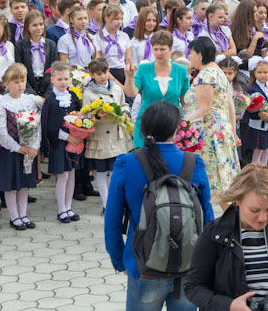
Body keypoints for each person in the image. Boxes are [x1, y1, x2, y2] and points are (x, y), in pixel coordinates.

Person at [105, 101, 214, 311]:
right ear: (176, 129)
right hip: (188, 265)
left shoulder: (126, 163)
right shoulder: (194, 162)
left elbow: (113, 220)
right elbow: (207, 217)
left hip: (143, 265)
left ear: (143, 128)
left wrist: (120, 261)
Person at [185, 164, 268, 311]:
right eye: (254, 210)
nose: (262, 218)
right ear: (237, 200)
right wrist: (228, 306)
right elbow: (193, 287)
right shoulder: (216, 233)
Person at [184, 36, 240, 195]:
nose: (189, 56)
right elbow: (229, 103)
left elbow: (204, 110)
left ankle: (231, 217)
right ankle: (232, 217)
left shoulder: (206, 75)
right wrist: (233, 132)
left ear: (200, 55)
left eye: (191, 53)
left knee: (215, 182)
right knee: (224, 180)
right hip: (223, 130)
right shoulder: (218, 72)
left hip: (209, 133)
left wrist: (179, 124)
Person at [0, 64, 42, 231]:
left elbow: (37, 125)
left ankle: (24, 214)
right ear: (6, 84)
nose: (20, 85)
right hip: (11, 150)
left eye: (23, 81)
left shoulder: (29, 101)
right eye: (16, 82)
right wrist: (16, 147)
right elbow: (1, 130)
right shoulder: (2, 103)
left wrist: (35, 145)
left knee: (24, 184)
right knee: (12, 184)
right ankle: (14, 216)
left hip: (28, 148)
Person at [124, 29, 190, 148]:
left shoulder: (181, 70)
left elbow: (186, 101)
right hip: (147, 124)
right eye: (156, 49)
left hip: (172, 125)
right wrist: (129, 77)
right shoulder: (143, 69)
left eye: (163, 49)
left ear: (170, 49)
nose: (159, 53)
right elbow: (131, 92)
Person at [82, 58, 131, 212]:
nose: (103, 76)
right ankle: (106, 204)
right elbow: (85, 116)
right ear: (91, 75)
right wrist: (97, 116)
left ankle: (115, 201)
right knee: (102, 172)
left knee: (115, 171)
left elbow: (124, 104)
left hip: (117, 136)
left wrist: (124, 113)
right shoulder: (89, 93)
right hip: (101, 137)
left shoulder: (116, 88)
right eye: (98, 74)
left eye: (105, 72)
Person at [41, 62, 81, 224]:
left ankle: (69, 206)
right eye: (60, 79)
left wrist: (78, 131)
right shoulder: (50, 100)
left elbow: (78, 116)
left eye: (66, 79)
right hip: (59, 143)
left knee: (71, 173)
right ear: (52, 80)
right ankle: (61, 209)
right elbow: (48, 125)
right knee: (62, 175)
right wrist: (66, 137)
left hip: (74, 142)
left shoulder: (72, 96)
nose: (63, 82)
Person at [14, 10, 58, 96]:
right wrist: (30, 91)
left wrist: (48, 91)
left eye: (41, 24)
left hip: (47, 84)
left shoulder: (51, 44)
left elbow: (54, 68)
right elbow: (19, 69)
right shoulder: (20, 45)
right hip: (28, 85)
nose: (39, 28)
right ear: (27, 27)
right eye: (34, 25)